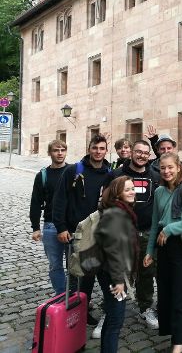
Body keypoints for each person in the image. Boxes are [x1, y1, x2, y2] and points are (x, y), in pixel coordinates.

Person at [143, 152, 182, 353]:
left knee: (180, 296)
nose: (166, 171)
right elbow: (154, 224)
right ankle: (172, 335)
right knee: (166, 294)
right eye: (163, 168)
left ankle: (178, 346)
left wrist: (169, 229)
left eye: (170, 167)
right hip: (163, 247)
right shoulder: (159, 192)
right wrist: (150, 250)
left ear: (179, 168)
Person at [52, 134, 112, 331]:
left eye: (102, 148)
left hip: (101, 232)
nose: (98, 152)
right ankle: (80, 312)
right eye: (95, 148)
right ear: (89, 148)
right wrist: (61, 227)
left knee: (102, 273)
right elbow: (60, 200)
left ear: (106, 150)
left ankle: (108, 309)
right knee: (80, 275)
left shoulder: (109, 173)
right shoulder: (73, 170)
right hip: (78, 232)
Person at [111, 140, 160, 329]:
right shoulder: (117, 175)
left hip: (147, 232)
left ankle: (145, 306)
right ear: (131, 152)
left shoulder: (155, 176)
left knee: (146, 272)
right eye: (138, 152)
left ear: (149, 156)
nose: (141, 156)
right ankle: (112, 308)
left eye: (146, 153)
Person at [94, 176, 138, 353]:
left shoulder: (119, 210)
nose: (132, 192)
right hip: (114, 275)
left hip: (111, 273)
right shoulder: (116, 215)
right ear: (117, 193)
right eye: (127, 189)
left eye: (132, 188)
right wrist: (119, 280)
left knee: (112, 318)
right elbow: (113, 251)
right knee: (115, 321)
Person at [29, 139, 69, 295]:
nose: (59, 153)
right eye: (56, 150)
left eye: (62, 150)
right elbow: (35, 202)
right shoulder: (42, 175)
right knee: (55, 265)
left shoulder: (73, 171)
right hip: (51, 226)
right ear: (49, 153)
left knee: (75, 266)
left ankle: (75, 296)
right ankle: (61, 295)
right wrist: (35, 228)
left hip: (71, 225)